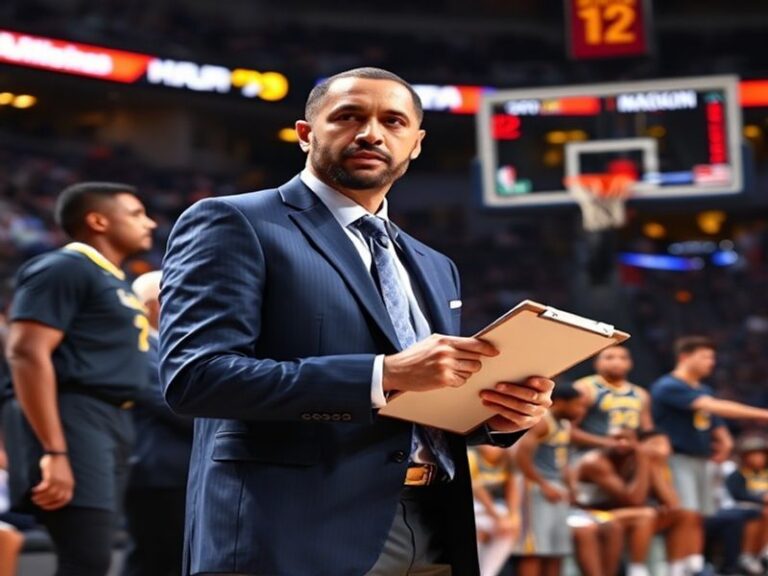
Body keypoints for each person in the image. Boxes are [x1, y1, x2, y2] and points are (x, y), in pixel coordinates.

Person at [159, 67, 554, 576]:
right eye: (348, 116)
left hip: (434, 524)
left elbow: (418, 405)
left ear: (415, 144)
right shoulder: (234, 222)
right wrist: (383, 374)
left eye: (393, 121)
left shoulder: (435, 264)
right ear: (306, 133)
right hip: (294, 529)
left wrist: (497, 418)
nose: (371, 133)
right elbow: (197, 379)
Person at [3, 182, 156, 576]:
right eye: (137, 214)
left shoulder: (112, 279)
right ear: (98, 220)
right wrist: (55, 451)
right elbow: (25, 352)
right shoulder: (65, 266)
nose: (150, 223)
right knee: (86, 559)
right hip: (75, 416)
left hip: (112, 421)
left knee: (95, 556)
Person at [651, 336, 768, 575]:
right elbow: (714, 407)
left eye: (712, 357)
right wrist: (761, 414)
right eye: (705, 356)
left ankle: (694, 565)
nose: (711, 362)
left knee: (698, 516)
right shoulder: (669, 385)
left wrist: (725, 439)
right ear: (684, 357)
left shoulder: (702, 389)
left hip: (701, 457)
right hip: (677, 457)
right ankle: (675, 568)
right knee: (684, 514)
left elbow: (712, 419)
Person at [122, 270, 193, 576]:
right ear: (154, 305)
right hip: (159, 476)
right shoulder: (135, 349)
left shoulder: (170, 348)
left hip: (177, 474)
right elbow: (175, 406)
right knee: (153, 562)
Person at [575, 426, 702, 576]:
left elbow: (673, 503)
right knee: (645, 515)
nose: (621, 443)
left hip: (622, 513)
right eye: (616, 438)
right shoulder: (596, 462)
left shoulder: (638, 459)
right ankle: (636, 570)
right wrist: (643, 461)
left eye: (627, 439)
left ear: (635, 443)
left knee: (686, 515)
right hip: (590, 513)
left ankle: (679, 570)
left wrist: (653, 467)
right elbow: (634, 501)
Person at [572, 345, 678, 508]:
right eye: (609, 357)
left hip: (627, 453)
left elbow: (648, 430)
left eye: (623, 358)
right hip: (594, 452)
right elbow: (567, 429)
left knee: (655, 452)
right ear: (596, 363)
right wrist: (605, 443)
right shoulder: (585, 388)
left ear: (630, 363)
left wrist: (658, 445)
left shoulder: (640, 394)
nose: (617, 362)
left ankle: (670, 507)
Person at [509, 381, 585, 576]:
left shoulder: (565, 425)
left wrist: (572, 488)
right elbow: (521, 458)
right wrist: (543, 485)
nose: (580, 410)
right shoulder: (542, 421)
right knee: (535, 550)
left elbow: (563, 461)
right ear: (559, 402)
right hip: (535, 487)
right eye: (577, 404)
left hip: (557, 486)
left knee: (557, 550)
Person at [468, 444, 520, 576]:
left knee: (509, 530)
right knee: (478, 533)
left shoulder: (507, 458)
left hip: (493, 510)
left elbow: (512, 487)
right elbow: (477, 490)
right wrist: (498, 518)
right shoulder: (472, 455)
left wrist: (514, 516)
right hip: (473, 506)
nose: (491, 447)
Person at [725, 434, 768, 574]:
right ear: (744, 457)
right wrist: (761, 499)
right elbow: (738, 494)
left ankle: (764, 551)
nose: (758, 458)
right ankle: (748, 555)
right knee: (760, 513)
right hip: (742, 508)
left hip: (762, 509)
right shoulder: (737, 474)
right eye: (753, 455)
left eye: (761, 454)